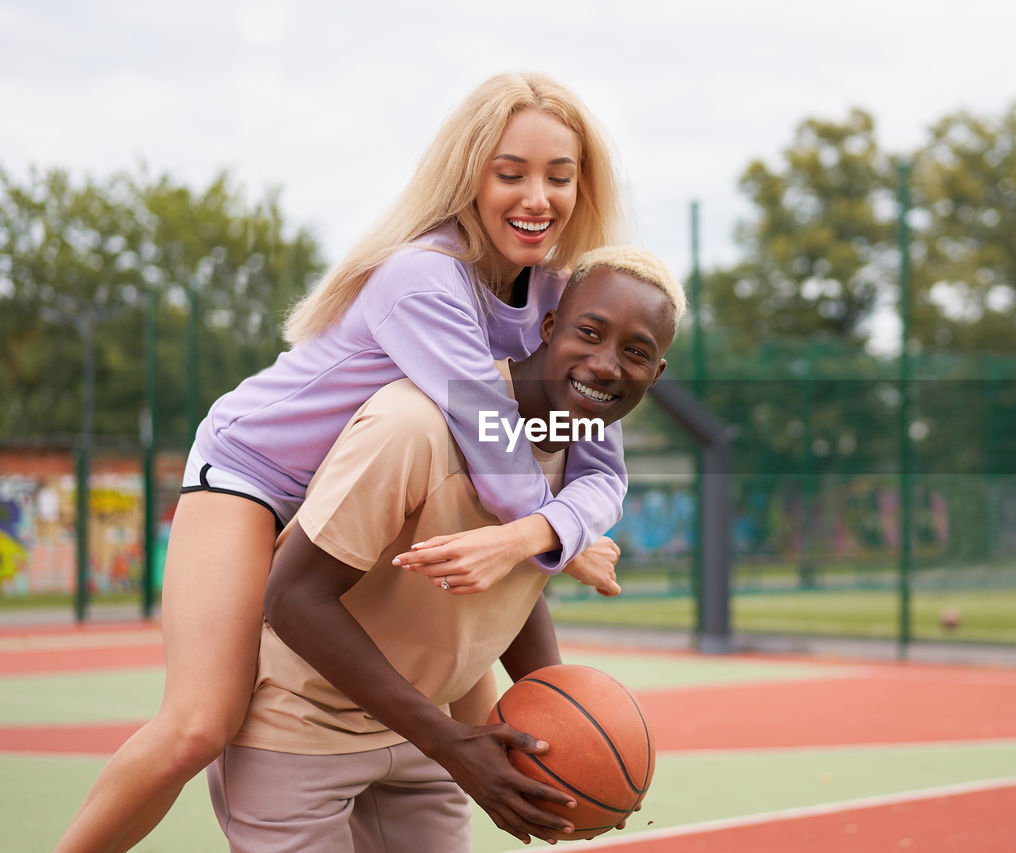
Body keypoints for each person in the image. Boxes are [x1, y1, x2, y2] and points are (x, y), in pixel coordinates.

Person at [55, 72, 631, 853]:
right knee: (201, 721)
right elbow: (499, 468)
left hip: (373, 494)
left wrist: (553, 532)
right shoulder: (425, 277)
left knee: (468, 689)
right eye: (511, 173)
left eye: (559, 177)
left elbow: (599, 465)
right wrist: (554, 535)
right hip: (259, 476)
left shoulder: (561, 298)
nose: (538, 196)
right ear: (469, 175)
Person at [208, 247, 684, 851]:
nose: (606, 364)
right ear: (547, 328)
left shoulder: (576, 447)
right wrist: (449, 741)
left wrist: (571, 748)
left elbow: (508, 584)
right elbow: (293, 597)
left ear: (656, 373)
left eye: (635, 352)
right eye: (589, 333)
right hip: (301, 725)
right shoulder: (413, 426)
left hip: (417, 735)